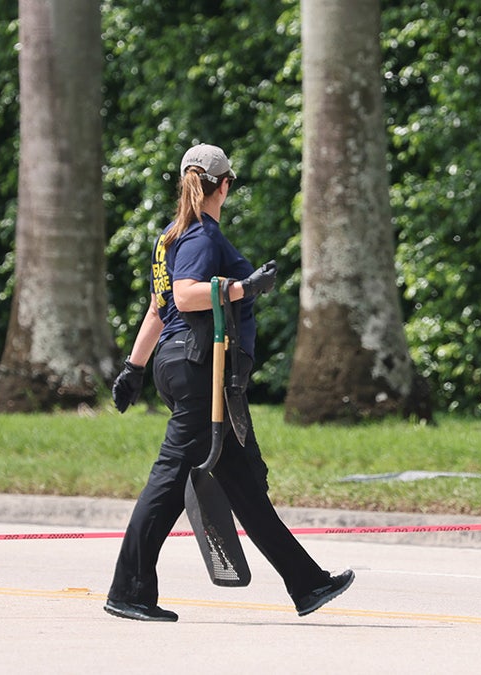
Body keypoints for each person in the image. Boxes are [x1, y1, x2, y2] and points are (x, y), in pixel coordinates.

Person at [105, 143, 354, 621]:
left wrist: (133, 368)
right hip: (201, 369)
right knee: (169, 476)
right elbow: (186, 296)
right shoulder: (200, 234)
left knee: (243, 483)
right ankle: (129, 589)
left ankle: (306, 583)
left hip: (186, 364)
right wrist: (242, 288)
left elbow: (159, 309)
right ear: (225, 185)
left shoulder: (170, 236)